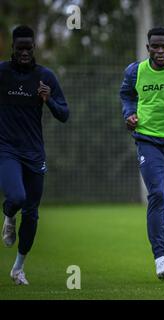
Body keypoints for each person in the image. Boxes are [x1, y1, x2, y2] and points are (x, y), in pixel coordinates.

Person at [0, 25, 70, 285]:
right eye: (20, 49)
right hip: (6, 149)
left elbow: (64, 114)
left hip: (34, 152)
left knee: (31, 213)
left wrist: (49, 99)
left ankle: (18, 269)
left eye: (29, 49)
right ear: (13, 49)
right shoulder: (2, 73)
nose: (25, 53)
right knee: (17, 197)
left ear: (34, 49)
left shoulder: (45, 77)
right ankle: (8, 215)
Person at [119, 27, 164, 280]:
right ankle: (160, 259)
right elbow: (127, 95)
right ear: (148, 48)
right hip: (147, 139)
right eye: (155, 47)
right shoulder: (135, 71)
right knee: (156, 195)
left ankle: (162, 216)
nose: (161, 51)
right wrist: (129, 114)